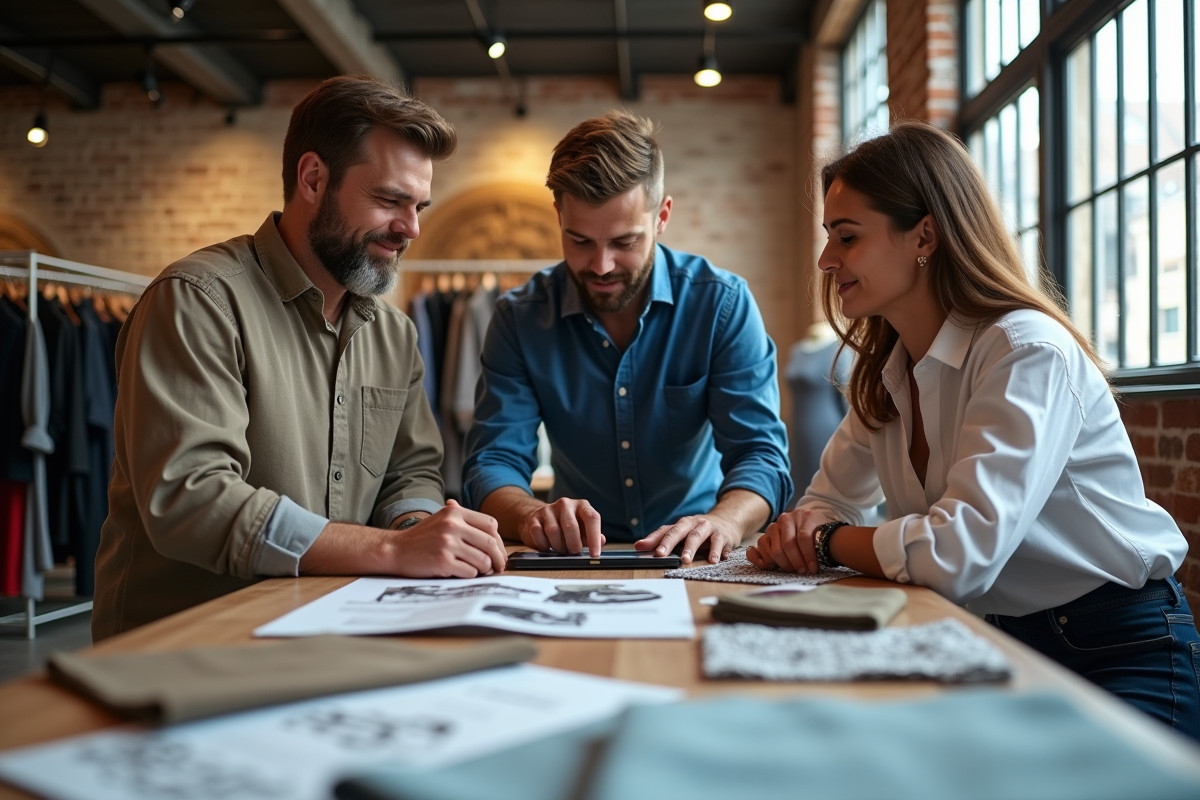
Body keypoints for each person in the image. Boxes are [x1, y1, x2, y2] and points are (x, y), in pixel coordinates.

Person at [748, 122, 1199, 738]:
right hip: (988, 640)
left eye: (847, 238)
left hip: (1118, 650)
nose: (827, 261)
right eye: (830, 238)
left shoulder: (1026, 351)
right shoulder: (887, 373)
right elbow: (826, 503)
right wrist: (817, 530)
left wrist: (827, 541)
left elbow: (958, 554)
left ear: (924, 236)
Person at [93, 77, 506, 640]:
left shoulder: (394, 333)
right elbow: (192, 498)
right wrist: (390, 548)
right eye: (389, 200)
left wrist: (417, 526)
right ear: (313, 178)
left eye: (419, 207)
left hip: (332, 635)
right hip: (183, 648)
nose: (411, 228)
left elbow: (409, 472)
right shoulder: (198, 300)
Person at [462, 111, 792, 565]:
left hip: (698, 553)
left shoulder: (722, 305)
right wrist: (531, 515)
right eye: (579, 241)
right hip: (573, 558)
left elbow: (760, 455)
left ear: (662, 217)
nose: (601, 265)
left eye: (624, 242)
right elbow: (491, 460)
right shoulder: (519, 318)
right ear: (558, 216)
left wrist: (725, 522)